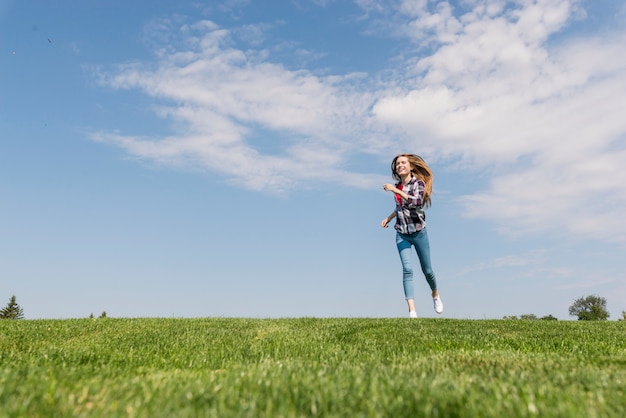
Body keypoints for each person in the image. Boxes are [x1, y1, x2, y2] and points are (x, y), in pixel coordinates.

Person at [381, 154, 443, 318]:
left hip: (418, 232)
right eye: (397, 164)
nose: (399, 165)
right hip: (402, 233)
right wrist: (389, 217)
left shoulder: (418, 184)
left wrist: (395, 190)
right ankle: (412, 311)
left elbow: (416, 203)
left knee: (427, 270)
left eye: (403, 163)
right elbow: (400, 207)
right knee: (407, 270)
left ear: (411, 167)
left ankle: (435, 295)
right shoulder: (398, 187)